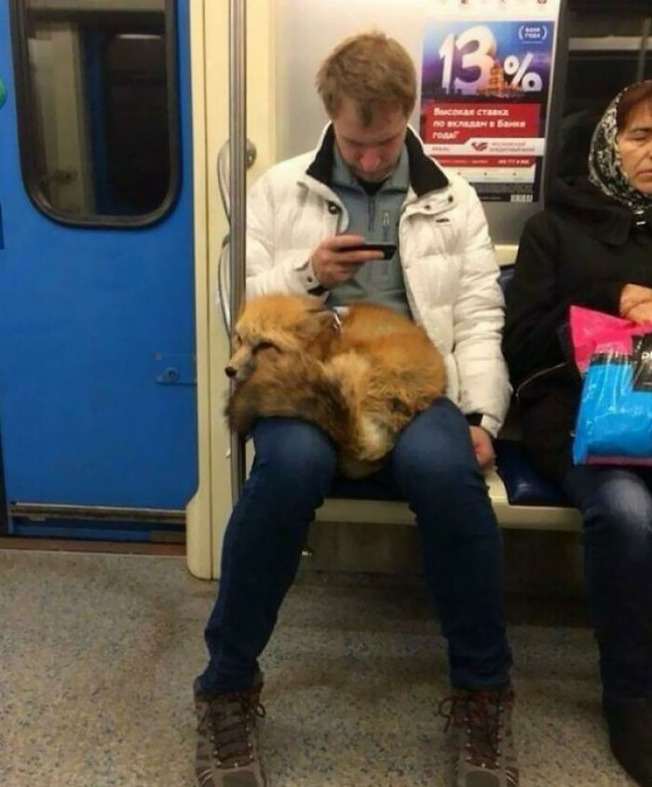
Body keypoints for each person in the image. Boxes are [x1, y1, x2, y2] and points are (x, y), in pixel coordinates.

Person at [194, 32, 517, 787]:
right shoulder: (279, 189)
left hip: (409, 374)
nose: (369, 159)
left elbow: (476, 318)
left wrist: (481, 418)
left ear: (408, 114)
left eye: (382, 142)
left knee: (446, 475)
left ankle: (482, 692)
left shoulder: (451, 195)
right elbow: (243, 303)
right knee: (286, 472)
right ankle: (226, 687)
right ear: (331, 117)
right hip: (306, 373)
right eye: (353, 142)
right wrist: (310, 272)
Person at [503, 81, 652, 786]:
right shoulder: (552, 228)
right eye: (642, 136)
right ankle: (631, 693)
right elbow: (523, 343)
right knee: (626, 511)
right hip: (583, 418)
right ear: (607, 144)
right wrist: (609, 311)